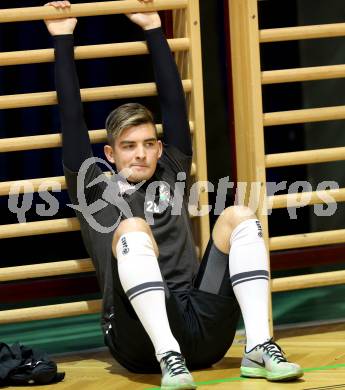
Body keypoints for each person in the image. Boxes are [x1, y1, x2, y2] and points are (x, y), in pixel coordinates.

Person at [44, 1, 303, 388]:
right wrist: (62, 38)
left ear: (161, 149)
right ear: (110, 155)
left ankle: (259, 346)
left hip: (198, 325)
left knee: (238, 216)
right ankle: (168, 354)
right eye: (130, 146)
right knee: (132, 226)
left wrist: (152, 26)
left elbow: (173, 103)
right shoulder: (92, 185)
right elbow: (71, 117)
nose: (142, 153)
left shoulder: (172, 171)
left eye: (149, 144)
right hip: (137, 341)